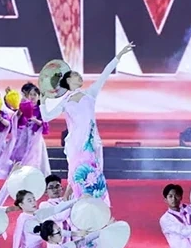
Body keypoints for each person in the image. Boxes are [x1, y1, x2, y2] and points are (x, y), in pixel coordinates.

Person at [41, 43, 135, 205]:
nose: (80, 77)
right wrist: (42, 102)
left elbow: (104, 75)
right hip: (75, 146)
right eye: (76, 75)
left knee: (93, 174)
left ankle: (97, 206)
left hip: (91, 144)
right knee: (76, 176)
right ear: (68, 80)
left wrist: (118, 56)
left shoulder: (90, 94)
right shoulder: (65, 101)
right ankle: (77, 206)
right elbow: (47, 117)